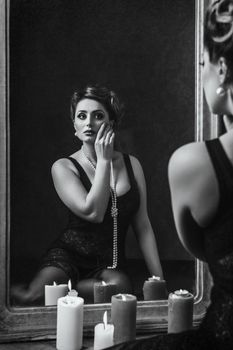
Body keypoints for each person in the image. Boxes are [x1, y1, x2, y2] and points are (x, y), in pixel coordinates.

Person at [104, 0, 233, 349]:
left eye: (203, 63)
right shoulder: (67, 165)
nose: (201, 71)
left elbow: (200, 248)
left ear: (222, 70)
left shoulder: (193, 164)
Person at [11, 84, 164, 305]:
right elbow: (93, 213)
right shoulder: (63, 167)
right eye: (81, 116)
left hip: (109, 265)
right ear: (74, 124)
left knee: (120, 289)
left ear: (111, 123)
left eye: (98, 116)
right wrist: (103, 161)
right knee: (32, 297)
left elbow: (143, 226)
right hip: (68, 256)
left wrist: (159, 279)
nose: (89, 123)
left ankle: (70, 295)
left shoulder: (132, 165)